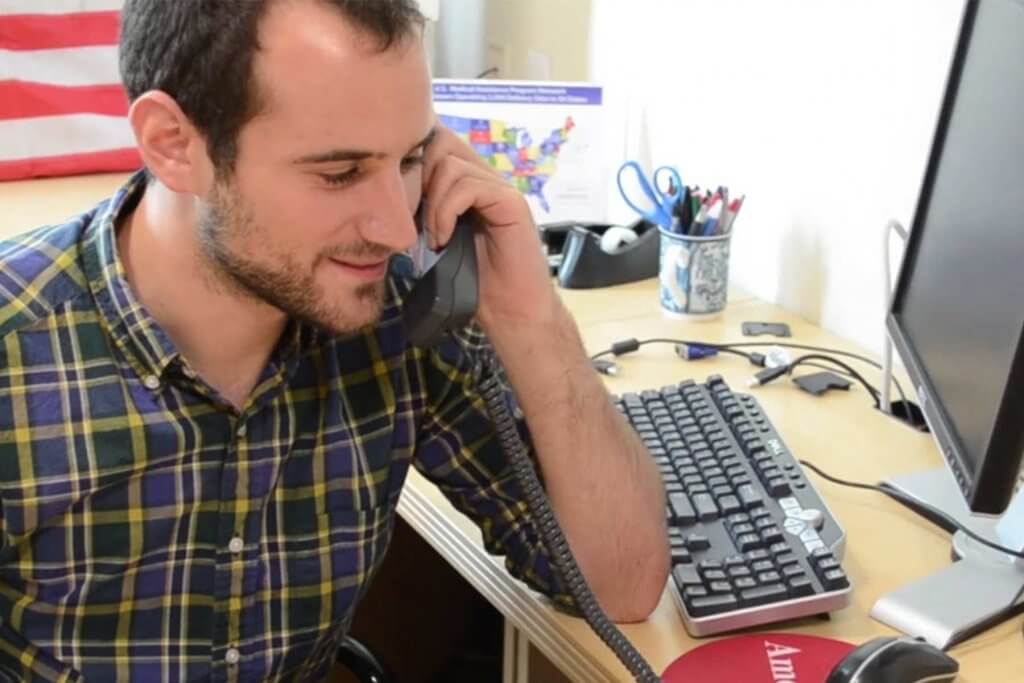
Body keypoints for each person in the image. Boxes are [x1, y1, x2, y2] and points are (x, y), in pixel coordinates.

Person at [0, 1, 669, 680]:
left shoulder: (396, 309)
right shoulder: (16, 352)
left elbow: (621, 584)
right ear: (174, 142)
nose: (392, 227)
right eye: (339, 173)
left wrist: (533, 320)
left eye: (410, 159)